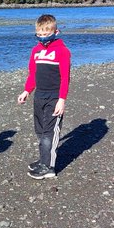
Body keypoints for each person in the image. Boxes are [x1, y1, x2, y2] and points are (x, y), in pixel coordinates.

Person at [16, 13, 71, 179]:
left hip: (54, 97)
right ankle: (43, 160)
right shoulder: (36, 51)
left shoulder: (62, 51)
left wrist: (62, 100)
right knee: (40, 130)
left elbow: (65, 78)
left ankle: (49, 167)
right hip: (39, 96)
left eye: (46, 34)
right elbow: (32, 74)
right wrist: (27, 91)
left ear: (55, 32)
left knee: (49, 133)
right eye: (39, 34)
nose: (42, 37)